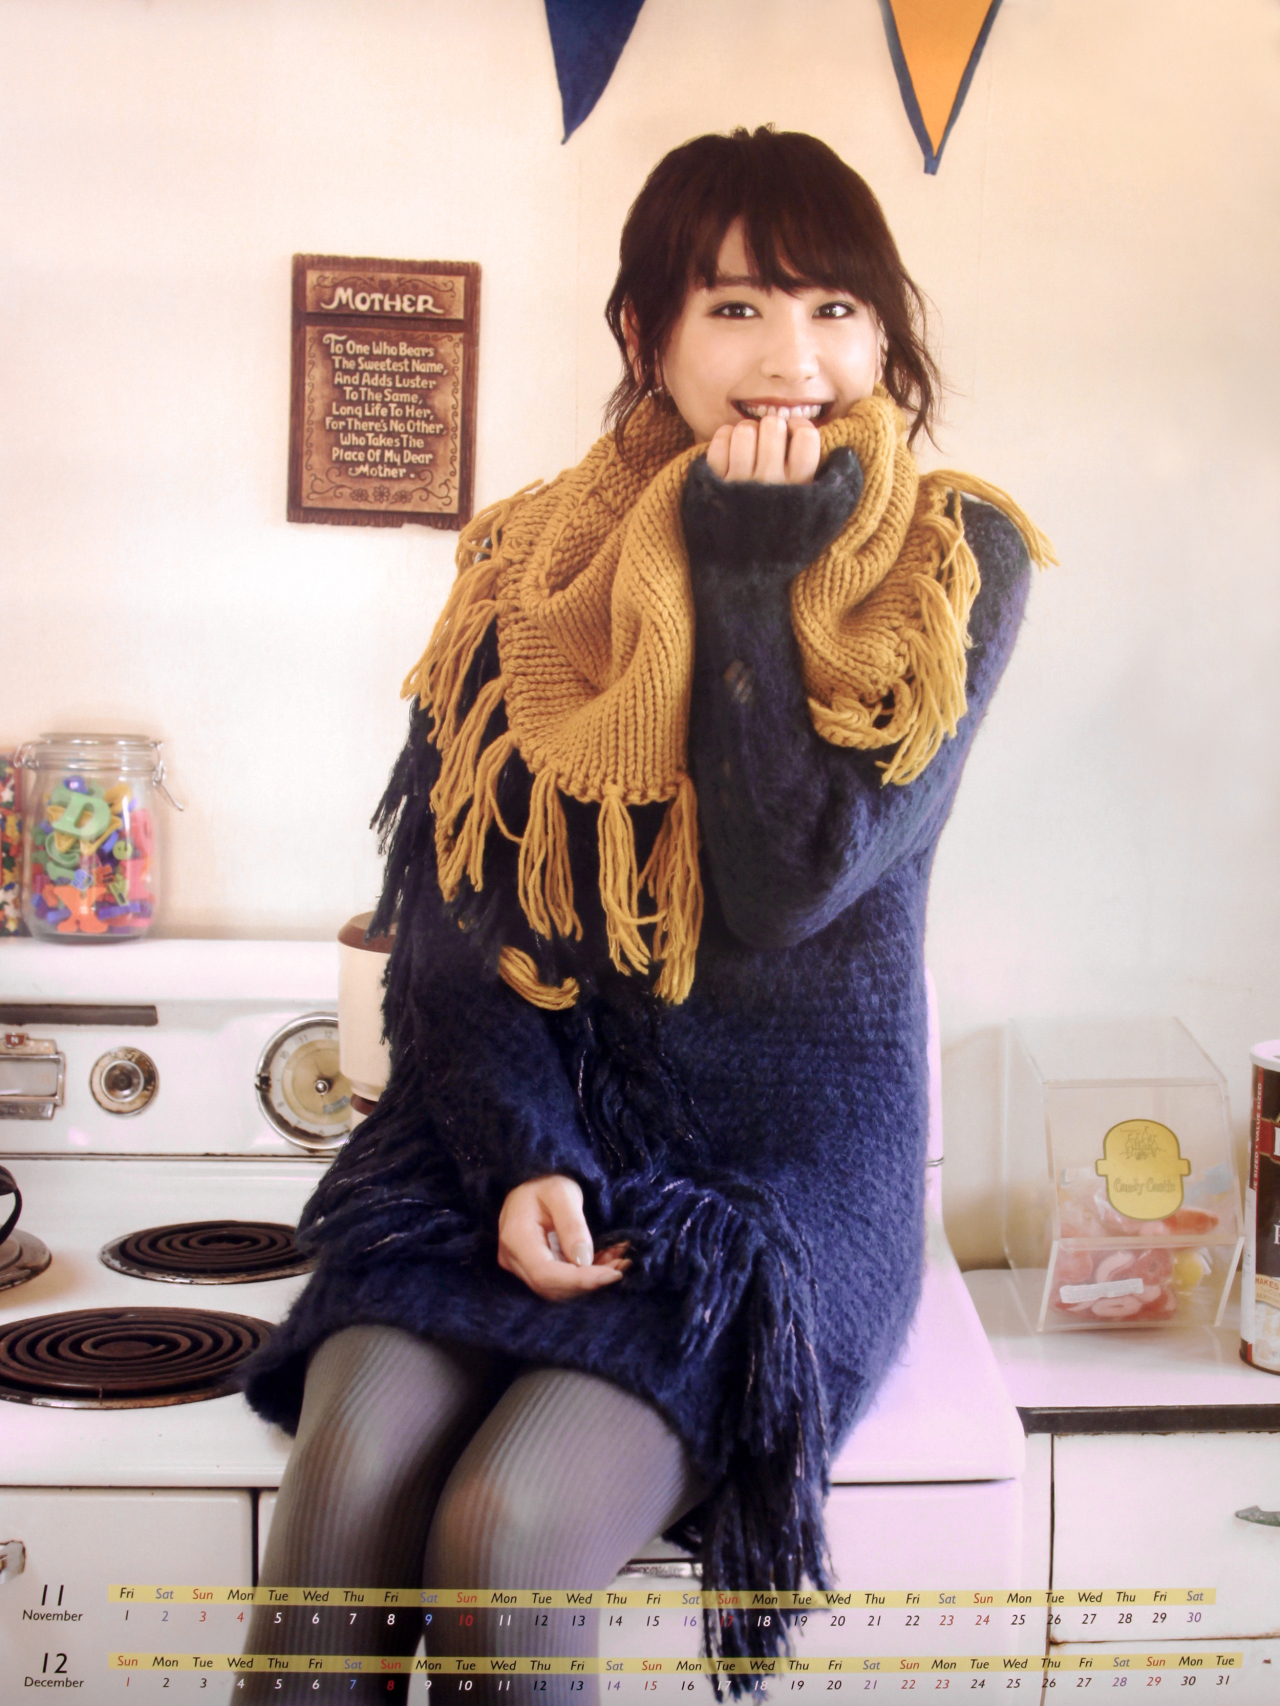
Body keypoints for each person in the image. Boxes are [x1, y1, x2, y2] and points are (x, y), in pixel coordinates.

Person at [237, 126, 1051, 1702]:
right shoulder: (521, 568)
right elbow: (456, 926)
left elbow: (788, 880)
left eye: (834, 308)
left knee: (505, 1525)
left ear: (884, 331)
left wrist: (744, 568)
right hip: (517, 1127)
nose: (792, 357)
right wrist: (522, 1154)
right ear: (645, 332)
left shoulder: (953, 564)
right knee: (343, 1494)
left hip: (775, 1187)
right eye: (736, 307)